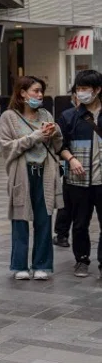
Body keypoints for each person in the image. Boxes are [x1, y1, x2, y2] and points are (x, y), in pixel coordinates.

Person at [0, 77, 62, 281]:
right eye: (35, 91)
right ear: (22, 93)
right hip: (22, 174)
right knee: (20, 220)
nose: (40, 95)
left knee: (44, 220)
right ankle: (19, 266)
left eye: (41, 91)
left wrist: (56, 132)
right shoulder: (8, 117)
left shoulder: (45, 114)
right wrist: (34, 137)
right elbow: (6, 147)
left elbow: (57, 146)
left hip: (45, 173)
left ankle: (42, 265)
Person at [58, 69, 102, 278]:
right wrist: (71, 159)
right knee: (80, 223)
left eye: (85, 89)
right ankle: (81, 260)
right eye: (78, 89)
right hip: (78, 180)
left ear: (97, 90)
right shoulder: (69, 116)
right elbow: (60, 145)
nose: (81, 93)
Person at [54, 86, 79, 248]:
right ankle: (61, 234)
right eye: (77, 93)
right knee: (66, 202)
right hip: (72, 166)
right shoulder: (68, 116)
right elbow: (59, 143)